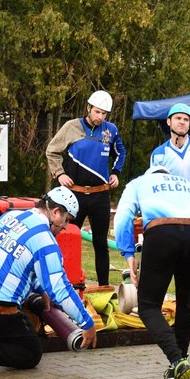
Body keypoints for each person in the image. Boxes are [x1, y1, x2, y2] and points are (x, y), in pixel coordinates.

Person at [0, 187, 96, 377]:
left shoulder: (10, 216)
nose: (65, 227)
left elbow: (15, 263)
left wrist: (40, 289)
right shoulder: (45, 240)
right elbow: (60, 289)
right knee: (30, 353)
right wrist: (87, 323)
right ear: (55, 212)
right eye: (67, 220)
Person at [114, 166, 190, 379]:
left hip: (161, 234)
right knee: (186, 300)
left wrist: (129, 254)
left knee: (148, 306)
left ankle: (176, 360)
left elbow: (123, 217)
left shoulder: (138, 183)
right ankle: (180, 360)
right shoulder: (189, 186)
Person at [45, 90, 126, 286]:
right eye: (97, 112)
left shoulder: (111, 130)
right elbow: (52, 151)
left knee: (101, 244)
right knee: (67, 239)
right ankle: (63, 285)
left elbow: (120, 152)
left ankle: (104, 288)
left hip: (100, 196)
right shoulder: (71, 127)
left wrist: (116, 172)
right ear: (88, 108)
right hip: (75, 195)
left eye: (104, 113)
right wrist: (60, 173)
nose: (100, 117)